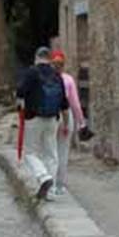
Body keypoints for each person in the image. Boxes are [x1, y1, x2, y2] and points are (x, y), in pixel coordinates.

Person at [16, 46, 68, 200]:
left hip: (34, 118)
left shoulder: (32, 72)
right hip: (53, 119)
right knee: (51, 154)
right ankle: (50, 192)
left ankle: (43, 176)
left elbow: (20, 92)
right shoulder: (57, 75)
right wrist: (65, 124)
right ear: (50, 58)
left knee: (30, 152)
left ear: (37, 57)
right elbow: (64, 103)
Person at [50, 50, 88, 197]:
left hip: (50, 117)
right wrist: (81, 122)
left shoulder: (45, 79)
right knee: (63, 152)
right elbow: (75, 104)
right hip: (66, 116)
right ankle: (59, 185)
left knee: (50, 151)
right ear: (63, 65)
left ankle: (50, 183)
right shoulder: (68, 80)